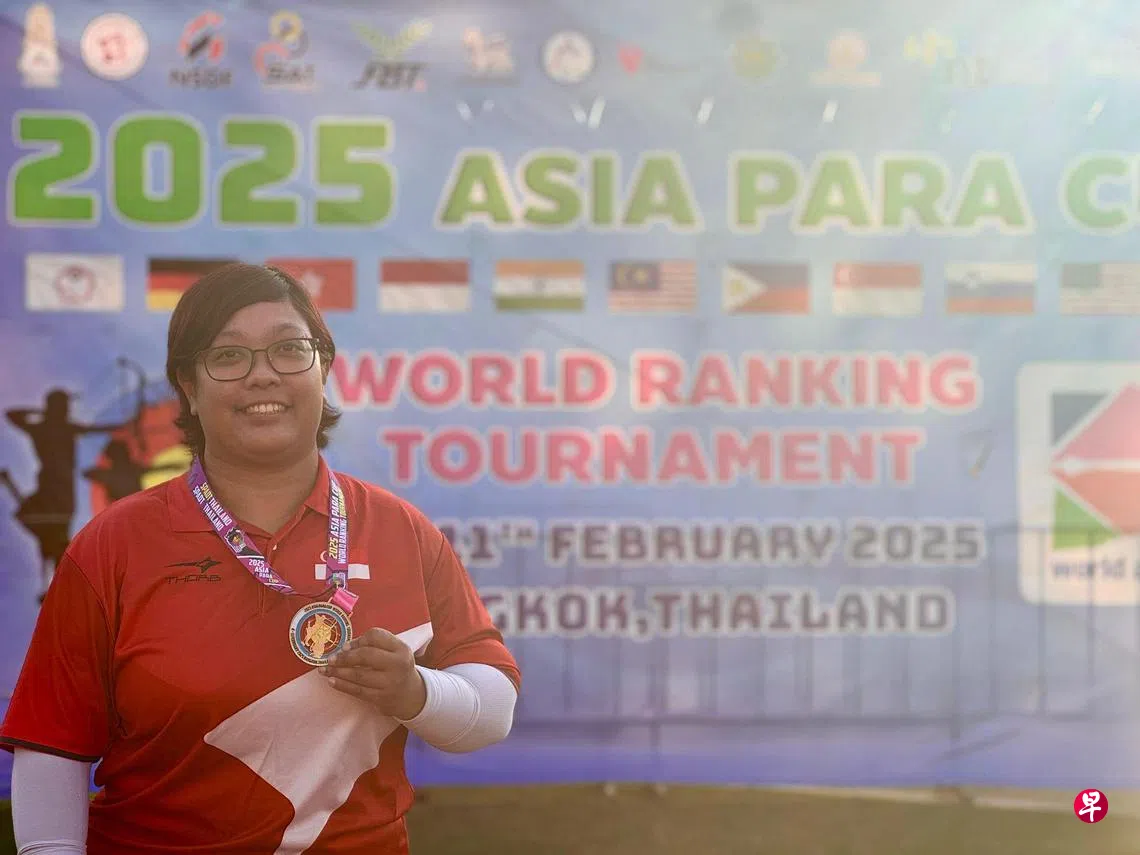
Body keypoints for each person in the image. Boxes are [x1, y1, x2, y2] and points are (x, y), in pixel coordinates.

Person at [0, 263, 521, 854]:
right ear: (188, 387)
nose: (263, 374)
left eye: (289, 349)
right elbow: (53, 746)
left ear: (324, 368)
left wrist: (415, 692)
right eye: (228, 356)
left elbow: (492, 707)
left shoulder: (400, 530)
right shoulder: (113, 543)